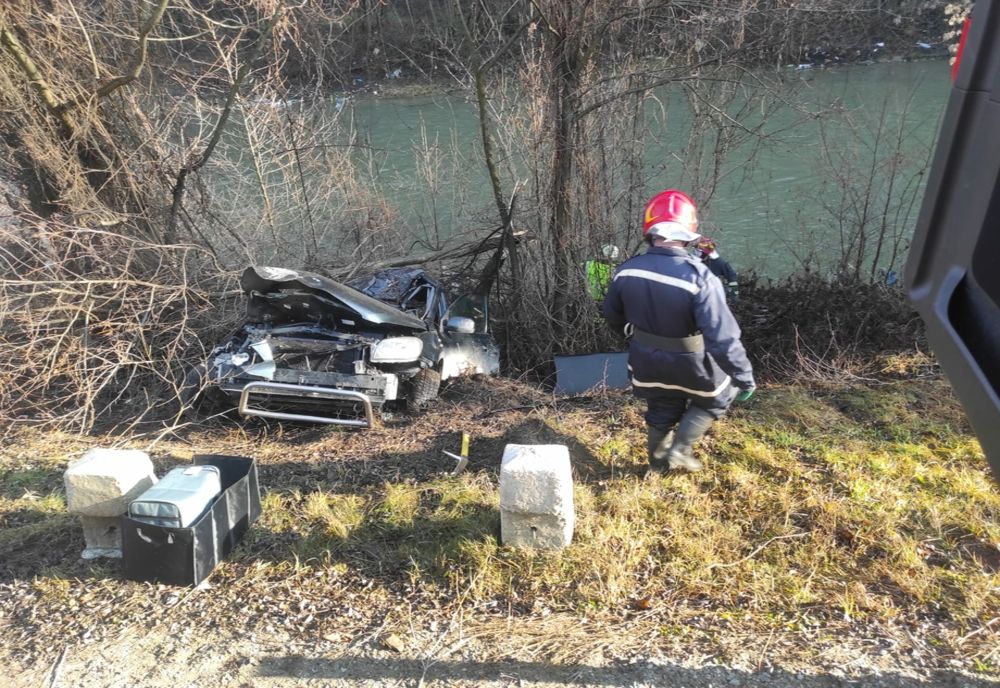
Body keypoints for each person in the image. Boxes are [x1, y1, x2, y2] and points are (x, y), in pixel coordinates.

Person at [602, 190, 756, 473]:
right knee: (719, 397)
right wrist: (744, 377)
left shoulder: (626, 271)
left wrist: (633, 336)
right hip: (692, 364)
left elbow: (612, 316)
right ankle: (681, 450)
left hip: (646, 364)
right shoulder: (700, 277)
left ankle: (657, 468)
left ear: (649, 231)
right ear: (689, 231)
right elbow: (722, 338)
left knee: (661, 409)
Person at [695, 237, 740, 302]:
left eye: (698, 250)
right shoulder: (694, 261)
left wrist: (734, 296)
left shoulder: (719, 262)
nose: (696, 251)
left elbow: (732, 277)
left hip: (714, 292)